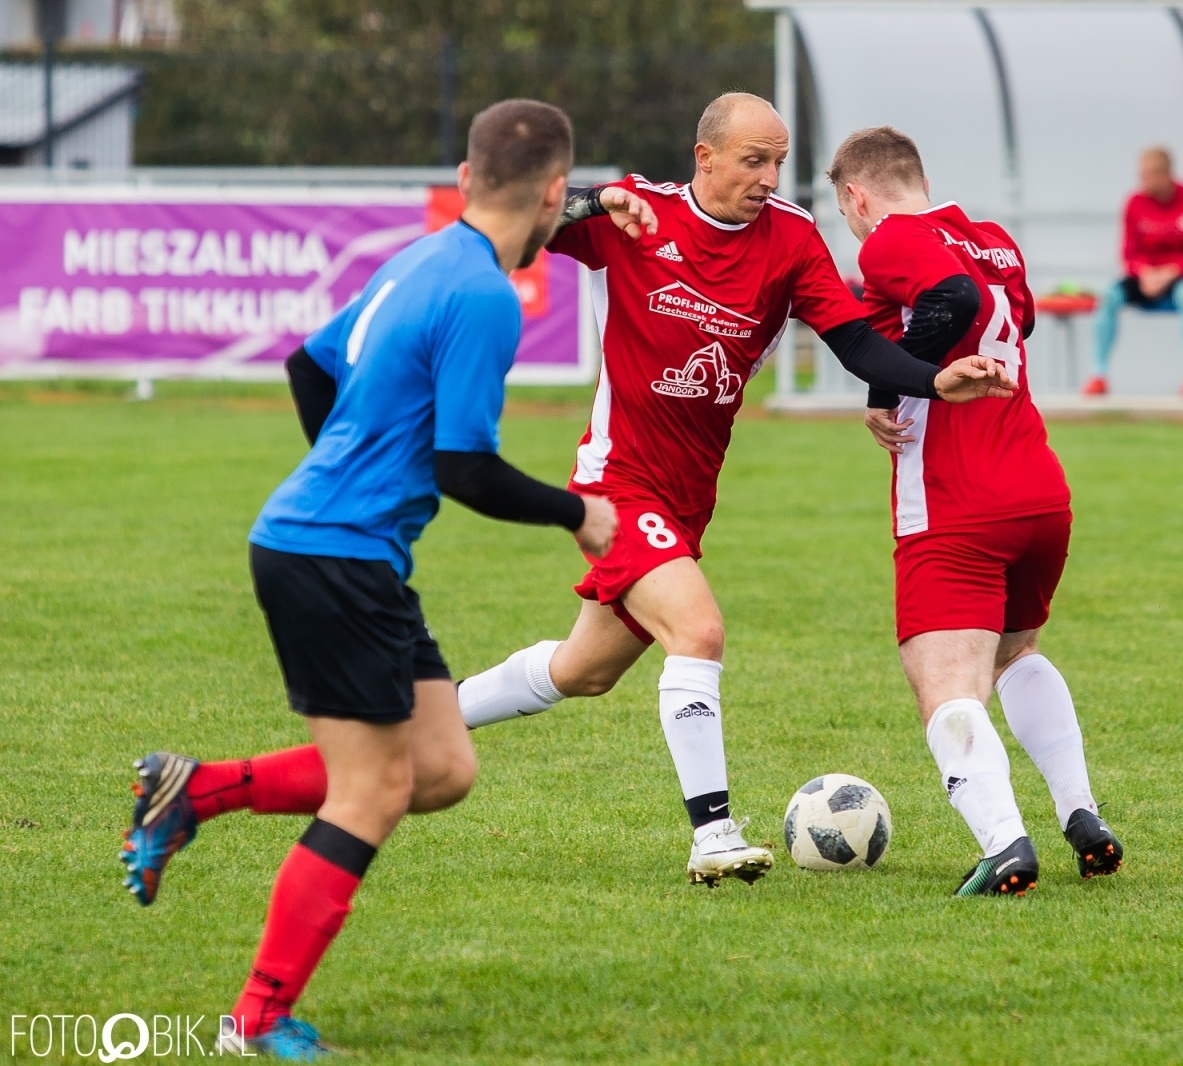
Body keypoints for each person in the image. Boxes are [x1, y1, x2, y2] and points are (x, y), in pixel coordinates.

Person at [117, 99, 633, 1059]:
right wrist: (580, 512)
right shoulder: (481, 295)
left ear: (469, 179)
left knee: (439, 768)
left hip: (335, 546)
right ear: (553, 192)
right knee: (371, 792)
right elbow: (464, 468)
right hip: (332, 555)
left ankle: (191, 791)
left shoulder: (422, 257)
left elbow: (306, 369)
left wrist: (354, 475)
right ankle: (255, 1018)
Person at [454, 92, 1015, 888]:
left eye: (779, 160)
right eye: (754, 160)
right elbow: (511, 222)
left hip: (688, 495)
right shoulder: (636, 215)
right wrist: (591, 200)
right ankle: (712, 834)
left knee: (585, 669)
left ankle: (430, 715)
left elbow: (855, 342)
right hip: (618, 483)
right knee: (699, 631)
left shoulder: (789, 238)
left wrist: (931, 377)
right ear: (705, 157)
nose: (770, 176)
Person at [830, 126, 1123, 896]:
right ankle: (1081, 815)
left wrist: (905, 386)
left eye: (845, 212)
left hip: (958, 499)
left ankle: (1005, 845)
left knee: (947, 686)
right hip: (1037, 486)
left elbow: (949, 300)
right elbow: (1005, 322)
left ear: (856, 196)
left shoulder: (890, 239)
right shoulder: (992, 238)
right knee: (1014, 654)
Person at [1085, 146, 1183, 398]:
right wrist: (1145, 273)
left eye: (1147, 175)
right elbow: (1128, 253)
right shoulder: (1135, 202)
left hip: (1181, 278)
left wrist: (1172, 271)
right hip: (1145, 278)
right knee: (1108, 296)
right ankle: (1098, 375)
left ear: (1165, 174)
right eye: (1141, 175)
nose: (1142, 182)